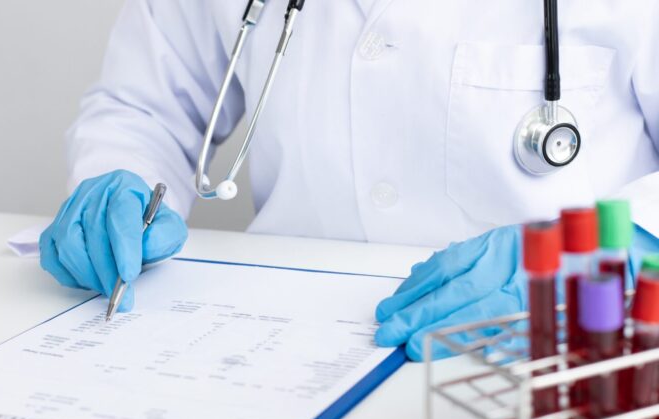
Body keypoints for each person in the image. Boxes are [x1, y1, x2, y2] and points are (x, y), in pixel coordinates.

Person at [40, 1, 659, 360]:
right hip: (274, 354)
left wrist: (621, 245)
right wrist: (116, 183)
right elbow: (143, 109)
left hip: (556, 355)